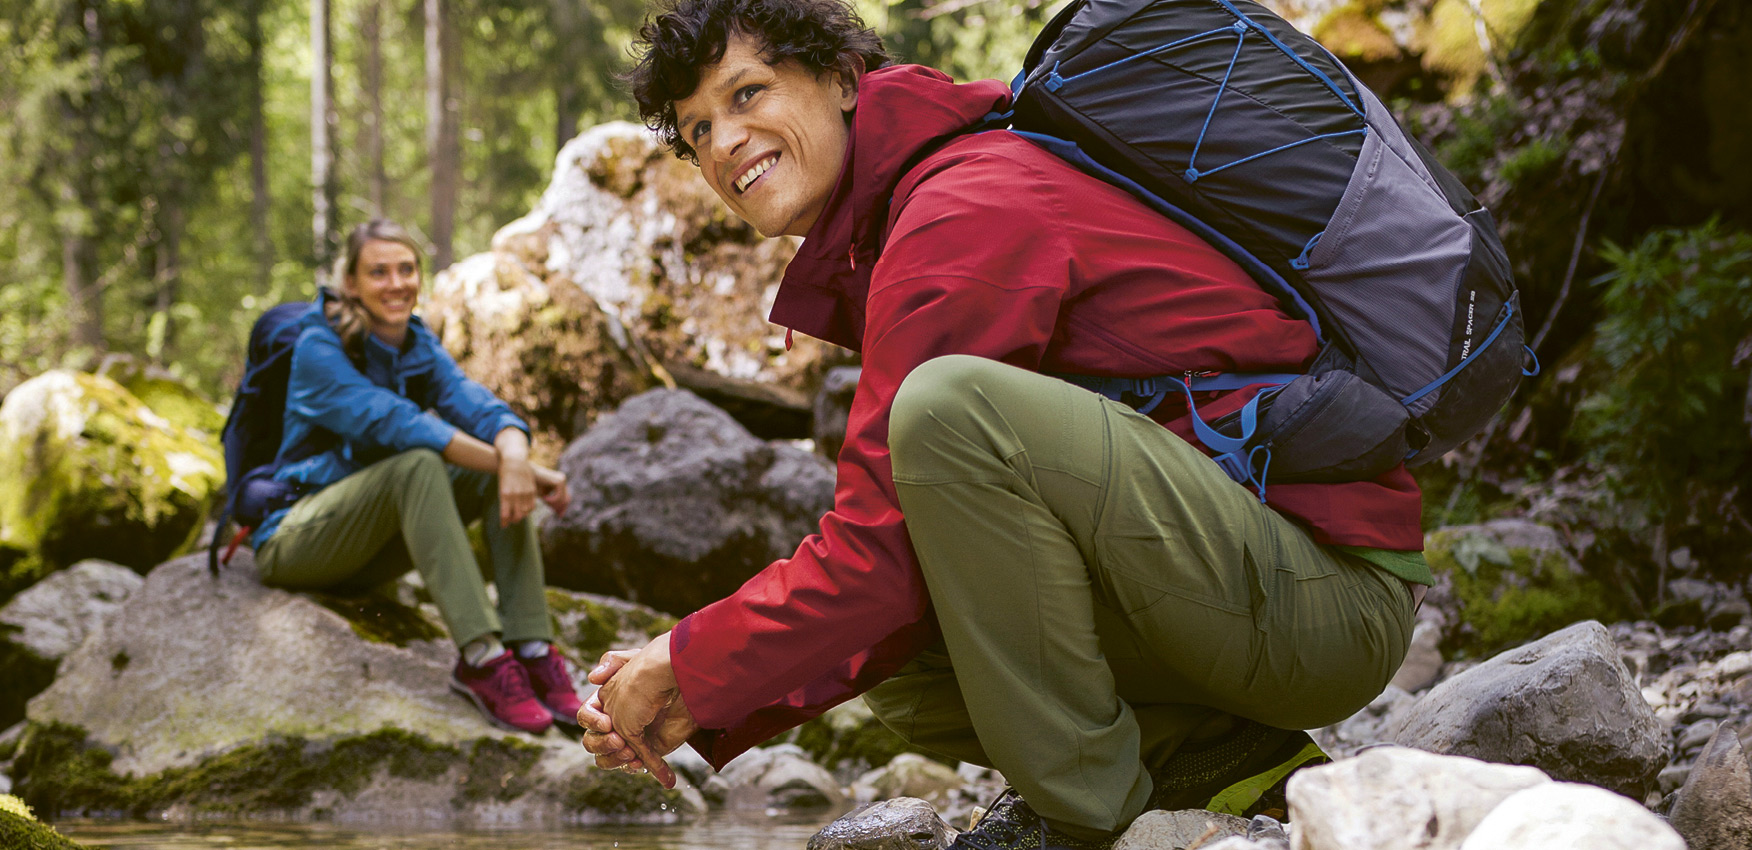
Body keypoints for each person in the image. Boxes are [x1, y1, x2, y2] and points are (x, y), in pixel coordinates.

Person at [578, 2, 1431, 847]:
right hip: (1239, 584)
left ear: (841, 80)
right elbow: (896, 573)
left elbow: (873, 552)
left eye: (748, 94)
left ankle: (1097, 821)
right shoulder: (910, 213)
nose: (723, 142)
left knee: (949, 414)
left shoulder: (961, 208)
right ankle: (1226, 766)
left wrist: (678, 662)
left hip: (1324, 598)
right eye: (696, 132)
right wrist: (699, 698)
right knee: (906, 668)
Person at [250, 219, 584, 735]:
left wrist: (514, 454)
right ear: (352, 284)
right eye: (378, 272)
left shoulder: (414, 340)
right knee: (421, 462)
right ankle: (481, 657)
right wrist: (523, 468)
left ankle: (532, 645)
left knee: (484, 476)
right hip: (297, 543)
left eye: (406, 269)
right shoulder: (318, 350)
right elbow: (405, 426)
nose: (396, 283)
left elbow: (473, 403)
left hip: (367, 548)